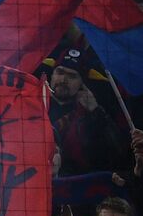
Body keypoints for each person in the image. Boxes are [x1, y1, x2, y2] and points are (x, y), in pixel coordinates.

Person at [45, 49, 126, 177]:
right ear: (52, 74)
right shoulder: (34, 104)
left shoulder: (92, 115)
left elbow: (117, 152)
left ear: (82, 83)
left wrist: (96, 112)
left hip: (75, 182)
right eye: (60, 72)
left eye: (72, 76)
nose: (64, 79)